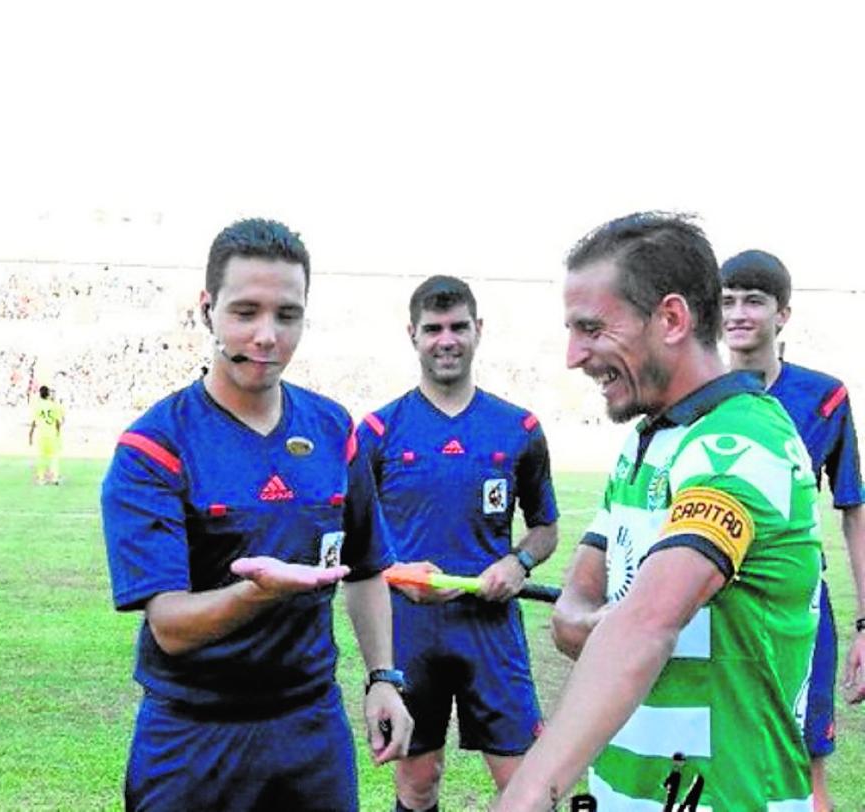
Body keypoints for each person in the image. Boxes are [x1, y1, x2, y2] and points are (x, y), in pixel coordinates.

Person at [495, 213, 821, 810]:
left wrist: (524, 797)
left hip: (729, 797)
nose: (573, 355)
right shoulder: (649, 439)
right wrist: (589, 618)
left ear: (671, 319)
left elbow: (645, 623)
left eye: (591, 328)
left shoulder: (740, 445)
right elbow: (579, 600)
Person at [101, 218, 413, 811]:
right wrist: (257, 594)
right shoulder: (154, 446)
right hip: (193, 735)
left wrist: (382, 678)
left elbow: (368, 567)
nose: (267, 335)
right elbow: (168, 624)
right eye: (245, 312)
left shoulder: (332, 429)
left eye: (287, 315)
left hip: (310, 727)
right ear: (207, 310)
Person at [354, 276, 559, 811]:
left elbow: (545, 528)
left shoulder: (519, 427)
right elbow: (352, 542)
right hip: (409, 633)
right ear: (413, 335)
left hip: (490, 632)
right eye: (433, 329)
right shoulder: (377, 431)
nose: (447, 340)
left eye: (458, 327)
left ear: (478, 331)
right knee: (418, 783)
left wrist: (519, 561)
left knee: (524, 785)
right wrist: (399, 572)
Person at [720, 249, 865, 812]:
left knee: (805, 779)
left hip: (795, 610)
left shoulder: (823, 397)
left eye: (753, 300)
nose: (738, 313)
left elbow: (853, 509)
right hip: (710, 608)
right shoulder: (690, 394)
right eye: (727, 301)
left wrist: (863, 624)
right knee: (709, 766)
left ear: (783, 314)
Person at [28, 383, 65, 484]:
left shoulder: (37, 406)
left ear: (40, 394)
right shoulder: (53, 405)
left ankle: (41, 479)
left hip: (41, 434)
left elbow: (33, 423)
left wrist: (30, 435)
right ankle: (55, 478)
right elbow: (58, 422)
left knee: (41, 457)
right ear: (48, 394)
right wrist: (58, 433)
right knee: (54, 456)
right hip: (52, 434)